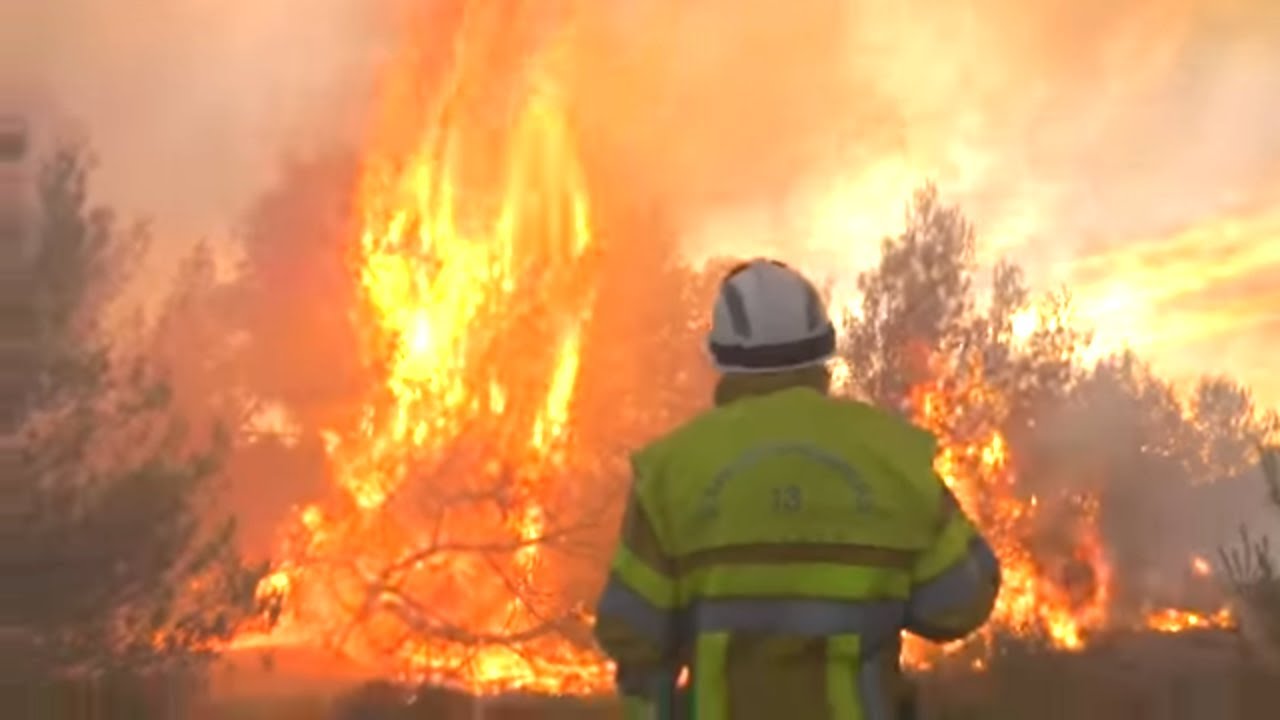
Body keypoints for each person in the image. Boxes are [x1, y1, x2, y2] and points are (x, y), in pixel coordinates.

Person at [592, 258, 1002, 720]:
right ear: (822, 350)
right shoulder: (893, 460)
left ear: (721, 355)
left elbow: (634, 635)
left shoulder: (671, 472)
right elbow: (960, 604)